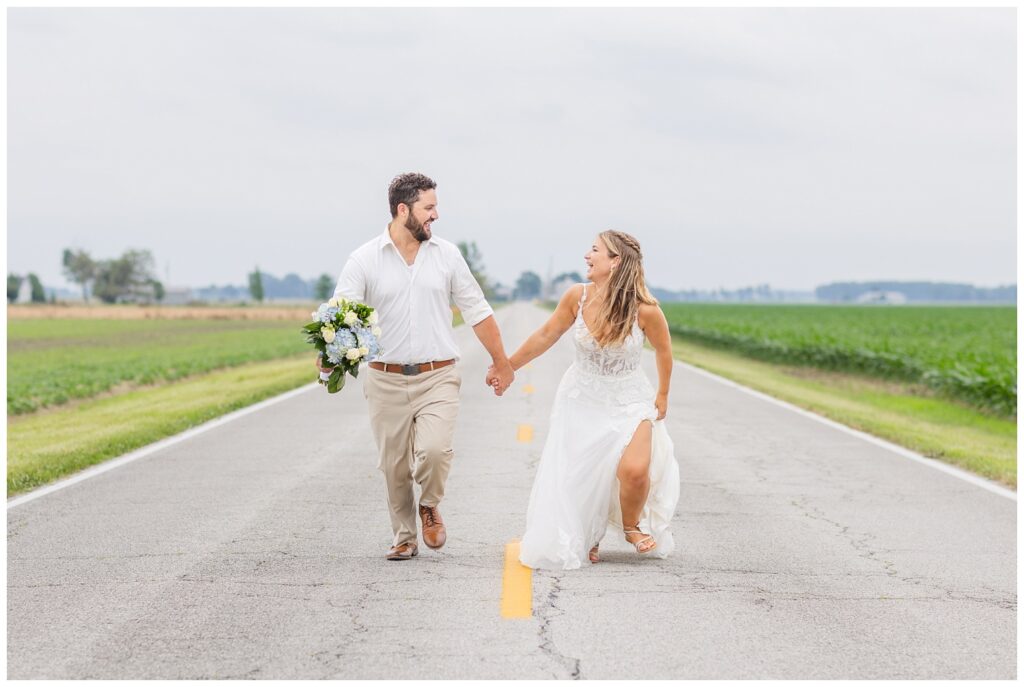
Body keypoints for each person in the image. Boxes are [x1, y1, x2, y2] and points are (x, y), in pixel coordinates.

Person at [322, 172, 515, 561]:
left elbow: (477, 310)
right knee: (392, 466)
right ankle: (404, 536)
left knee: (434, 451)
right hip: (385, 378)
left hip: (438, 374)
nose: (436, 216)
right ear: (403, 209)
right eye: (430, 208)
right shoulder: (363, 260)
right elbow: (341, 315)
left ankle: (429, 504)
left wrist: (502, 362)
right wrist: (329, 363)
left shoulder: (447, 255)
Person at [496, 230, 680, 570]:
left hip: (630, 399)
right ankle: (588, 534)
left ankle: (631, 526)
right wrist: (508, 366)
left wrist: (663, 393)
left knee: (635, 470)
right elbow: (546, 335)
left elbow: (665, 352)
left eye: (595, 250)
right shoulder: (576, 297)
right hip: (582, 396)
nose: (587, 255)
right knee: (582, 472)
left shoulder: (646, 310)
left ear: (616, 261)